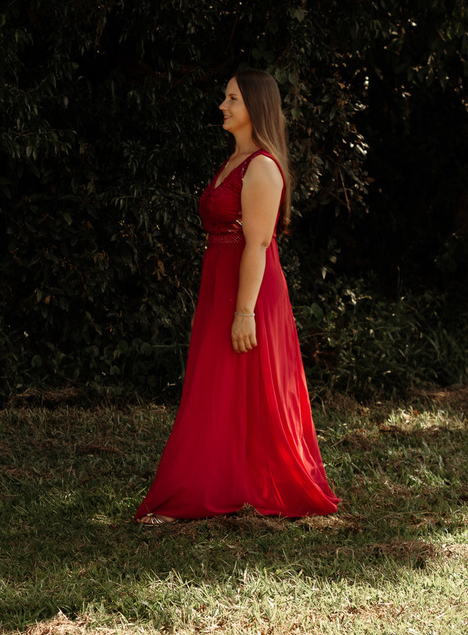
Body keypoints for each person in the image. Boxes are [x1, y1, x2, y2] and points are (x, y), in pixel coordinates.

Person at [134, 69, 339, 524]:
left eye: (233, 99)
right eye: (225, 98)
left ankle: (200, 494)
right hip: (221, 283)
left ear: (255, 108)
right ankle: (215, 484)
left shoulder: (261, 166)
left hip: (250, 291)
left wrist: (245, 311)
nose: (222, 106)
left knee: (234, 386)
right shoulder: (233, 161)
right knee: (216, 388)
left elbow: (259, 243)